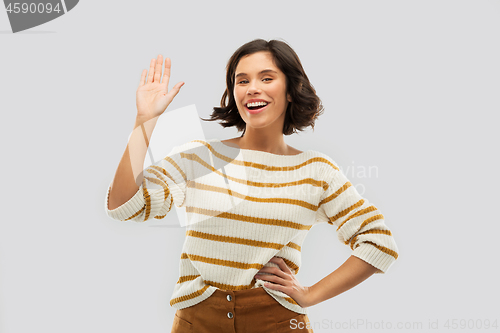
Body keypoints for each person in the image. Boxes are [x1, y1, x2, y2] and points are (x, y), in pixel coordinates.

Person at [105, 39, 399, 333]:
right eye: (241, 80)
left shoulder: (316, 171)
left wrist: (310, 295)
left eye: (266, 78)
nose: (252, 87)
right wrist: (145, 121)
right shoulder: (200, 158)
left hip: (278, 322)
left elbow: (378, 242)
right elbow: (124, 207)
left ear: (291, 91)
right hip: (198, 321)